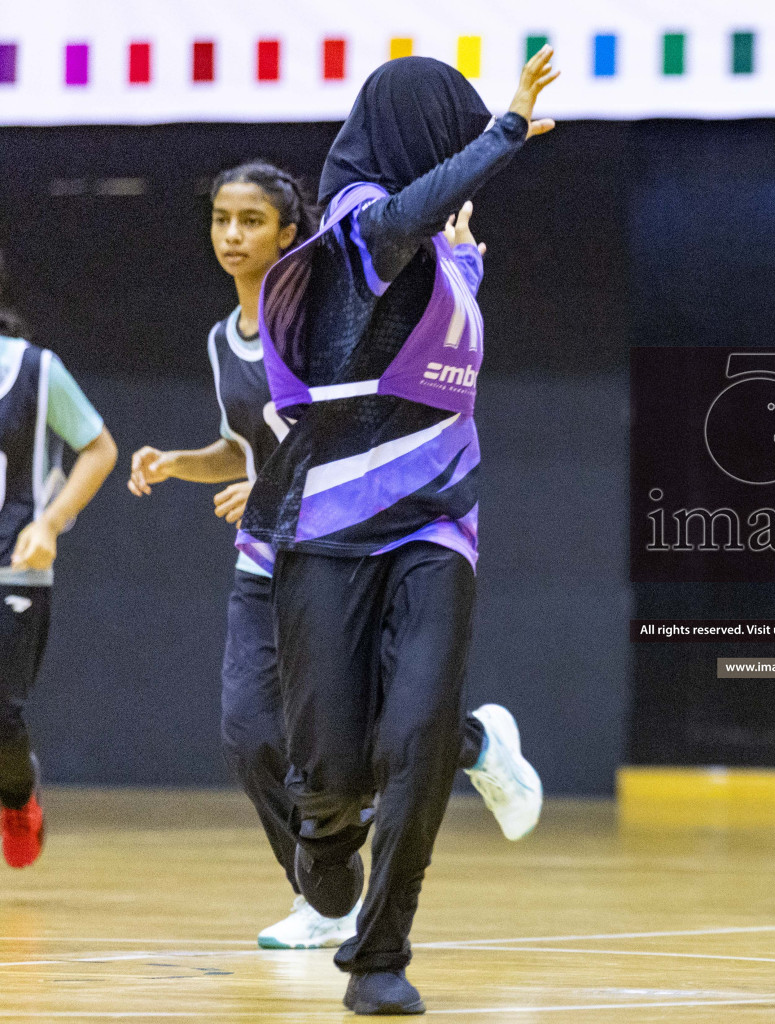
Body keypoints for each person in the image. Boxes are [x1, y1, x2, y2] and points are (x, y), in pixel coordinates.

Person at [126, 162, 542, 950]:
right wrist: (186, 462)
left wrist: (459, 269)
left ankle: (477, 745)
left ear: (291, 234)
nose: (231, 235)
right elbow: (249, 445)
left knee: (380, 731)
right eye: (220, 219)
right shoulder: (225, 340)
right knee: (251, 735)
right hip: (265, 559)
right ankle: (326, 895)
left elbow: (357, 427)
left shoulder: (331, 314)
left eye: (250, 221)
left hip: (344, 547)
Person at [237, 48, 558, 1015]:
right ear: (414, 133)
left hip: (438, 525)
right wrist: (504, 130)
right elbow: (403, 219)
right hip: (330, 523)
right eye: (449, 130)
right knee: (330, 770)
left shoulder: (449, 257)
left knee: (418, 738)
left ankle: (380, 958)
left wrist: (463, 267)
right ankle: (327, 854)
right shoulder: (354, 224)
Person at [0, 249, 119, 869]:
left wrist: (49, 522)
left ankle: (17, 798)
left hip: (13, 566)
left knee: (1, 717)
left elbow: (99, 449)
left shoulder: (34, 370)